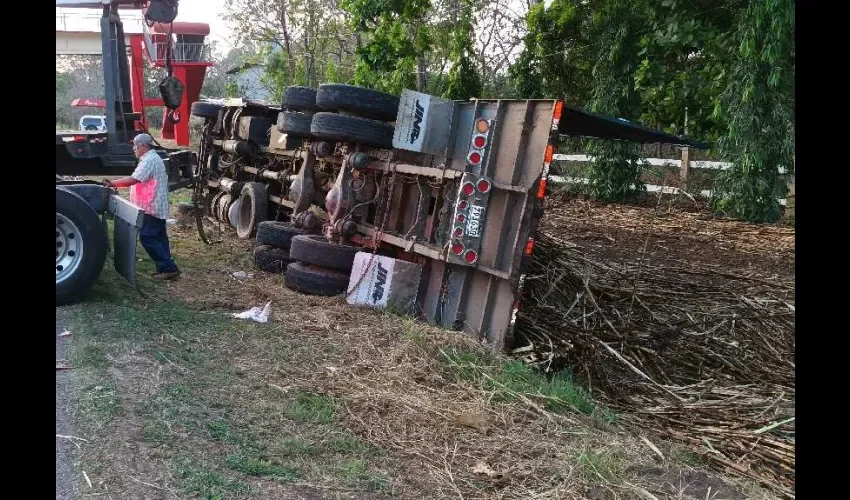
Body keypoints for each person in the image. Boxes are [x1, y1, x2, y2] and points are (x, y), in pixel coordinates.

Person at [103, 133, 181, 281]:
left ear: (144, 146)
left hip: (151, 206)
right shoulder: (150, 159)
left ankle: (169, 268)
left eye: (136, 146)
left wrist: (113, 183)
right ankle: (166, 268)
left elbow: (133, 180)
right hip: (155, 205)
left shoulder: (149, 161)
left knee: (147, 237)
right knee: (159, 237)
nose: (134, 149)